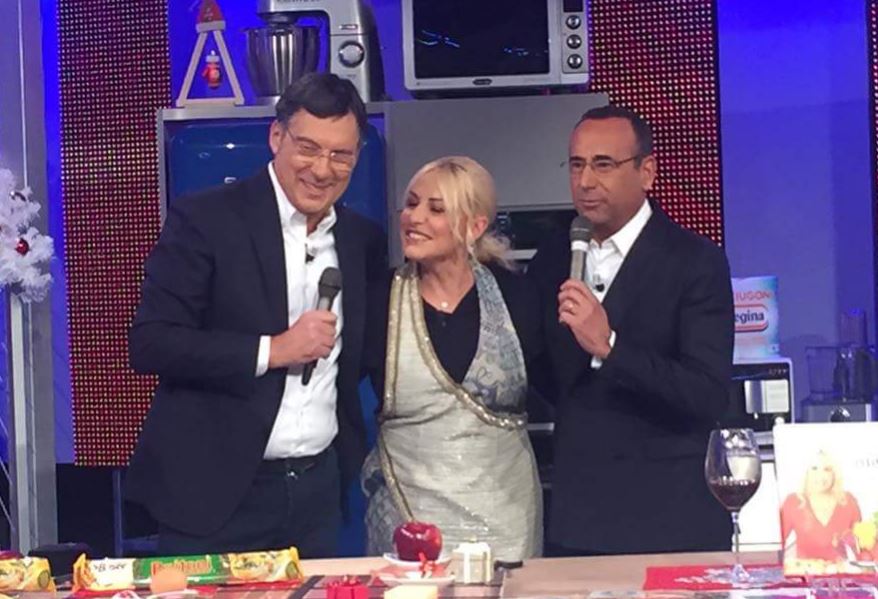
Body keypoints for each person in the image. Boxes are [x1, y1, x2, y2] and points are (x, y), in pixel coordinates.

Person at [126, 73, 387, 557]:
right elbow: (152, 342)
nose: (322, 169)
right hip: (214, 494)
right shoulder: (206, 219)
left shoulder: (361, 239)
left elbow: (369, 355)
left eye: (341, 155)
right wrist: (274, 349)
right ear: (276, 136)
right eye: (308, 148)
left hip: (317, 495)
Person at [528, 105, 734, 555]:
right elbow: (543, 373)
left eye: (603, 164)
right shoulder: (552, 258)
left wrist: (610, 347)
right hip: (579, 520)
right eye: (576, 165)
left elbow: (706, 393)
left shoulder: (695, 262)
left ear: (647, 172)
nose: (585, 181)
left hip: (672, 519)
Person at [361, 156, 543, 561]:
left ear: (474, 226)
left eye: (436, 209)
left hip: (507, 522)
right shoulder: (377, 303)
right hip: (406, 524)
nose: (415, 217)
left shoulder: (518, 298)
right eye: (411, 204)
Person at [780, 450, 862, 562]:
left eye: (827, 469)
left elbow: (862, 545)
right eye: (814, 468)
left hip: (841, 571)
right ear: (806, 473)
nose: (820, 475)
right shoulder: (793, 502)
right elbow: (776, 546)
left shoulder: (848, 501)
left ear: (834, 474)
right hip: (805, 571)